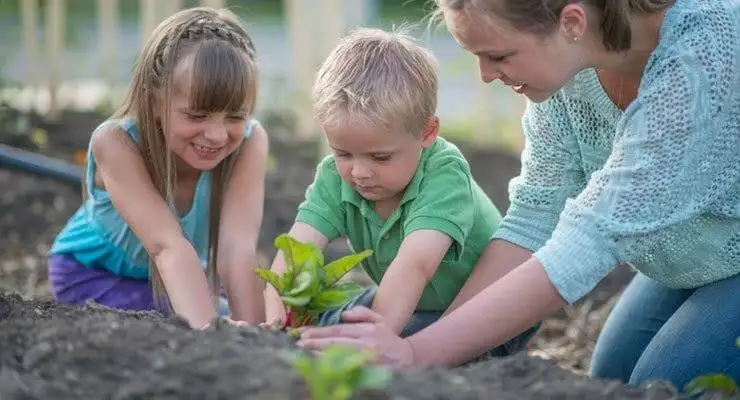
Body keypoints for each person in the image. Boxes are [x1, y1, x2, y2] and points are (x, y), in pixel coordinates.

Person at [296, 0, 740, 391]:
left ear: (571, 22)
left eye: (498, 55)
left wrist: (416, 354)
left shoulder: (702, 51)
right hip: (698, 254)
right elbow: (533, 217)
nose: (486, 76)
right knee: (612, 375)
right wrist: (432, 341)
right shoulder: (569, 73)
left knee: (667, 383)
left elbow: (590, 239)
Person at [263, 26, 539, 358]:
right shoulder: (334, 178)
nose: (359, 172)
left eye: (381, 157)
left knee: (378, 335)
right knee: (329, 321)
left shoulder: (443, 173)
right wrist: (279, 325)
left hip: (483, 312)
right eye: (343, 154)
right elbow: (296, 252)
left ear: (427, 132)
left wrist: (370, 346)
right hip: (414, 303)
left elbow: (416, 264)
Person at [47, 7, 269, 330]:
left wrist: (256, 333)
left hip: (173, 280)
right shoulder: (117, 143)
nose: (218, 134)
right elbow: (167, 246)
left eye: (235, 117)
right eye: (196, 115)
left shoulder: (250, 142)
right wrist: (214, 330)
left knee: (245, 312)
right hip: (94, 274)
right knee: (196, 318)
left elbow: (237, 249)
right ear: (153, 101)